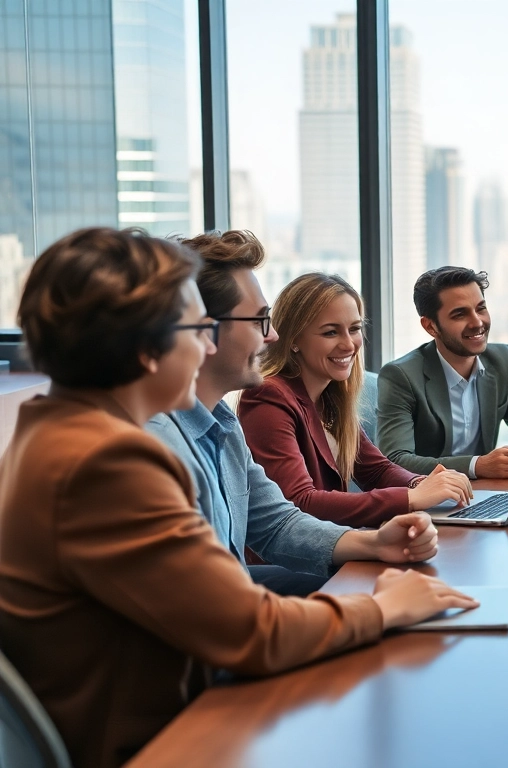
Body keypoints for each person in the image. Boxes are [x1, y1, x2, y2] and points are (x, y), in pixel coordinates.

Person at [0, 228, 476, 768]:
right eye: (198, 329)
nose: (207, 346)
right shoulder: (108, 462)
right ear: (145, 343)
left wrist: (371, 542)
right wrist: (382, 608)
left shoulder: (78, 431)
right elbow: (252, 632)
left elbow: (271, 525)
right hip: (162, 737)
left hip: (178, 693)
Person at [147, 231, 448, 597]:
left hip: (232, 594)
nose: (271, 334)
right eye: (259, 321)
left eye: (354, 329)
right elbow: (205, 603)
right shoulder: (158, 445)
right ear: (203, 331)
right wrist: (372, 610)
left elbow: (277, 524)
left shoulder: (223, 426)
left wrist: (377, 543)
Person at [237, 273, 473, 527]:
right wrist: (410, 498)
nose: (349, 345)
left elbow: (376, 469)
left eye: (355, 329)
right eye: (330, 333)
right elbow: (300, 502)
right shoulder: (267, 397)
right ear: (293, 340)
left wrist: (420, 483)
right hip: (288, 563)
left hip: (337, 545)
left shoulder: (331, 394)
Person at [377, 266, 508, 479]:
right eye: (460, 314)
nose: (477, 322)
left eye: (480, 308)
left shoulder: (502, 360)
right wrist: (476, 466)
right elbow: (395, 460)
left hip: (484, 493)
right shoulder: (401, 376)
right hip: (428, 501)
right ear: (431, 326)